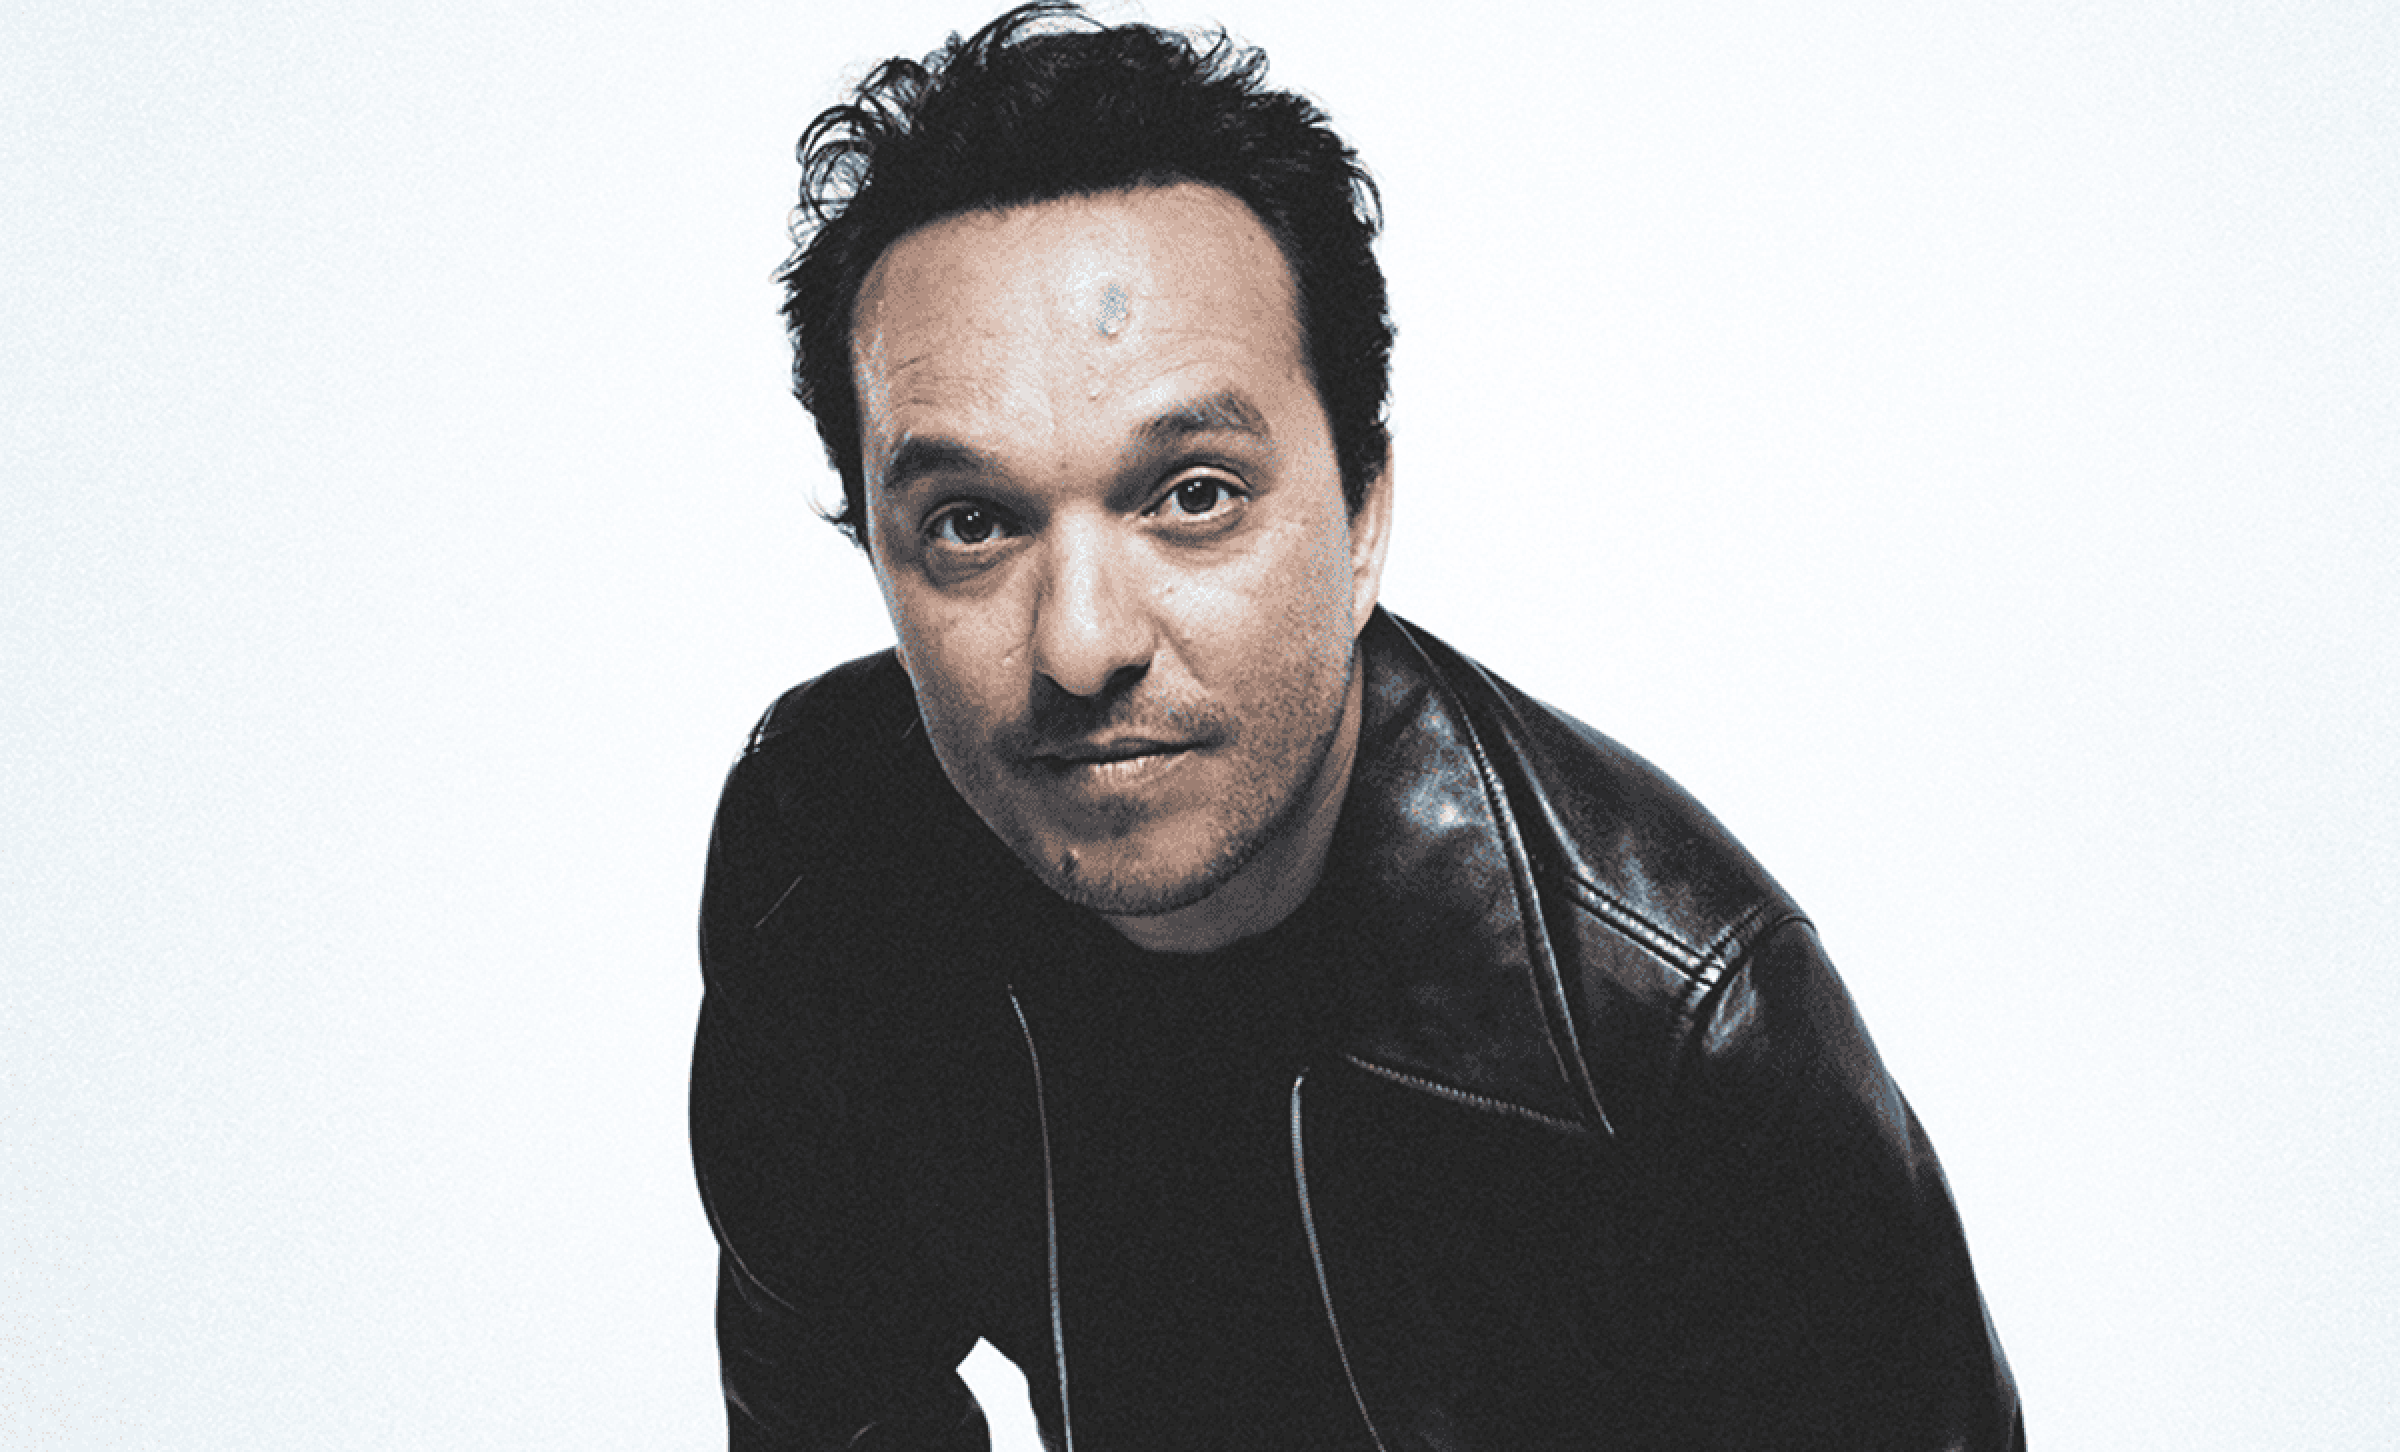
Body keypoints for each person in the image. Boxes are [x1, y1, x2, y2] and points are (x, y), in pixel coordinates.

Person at [690, 4, 2023, 1448]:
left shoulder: (1673, 1030)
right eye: (969, 523)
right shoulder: (822, 859)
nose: (1082, 643)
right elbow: (830, 1409)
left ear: (1363, 515)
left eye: (1194, 495)